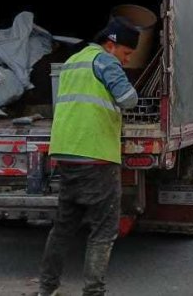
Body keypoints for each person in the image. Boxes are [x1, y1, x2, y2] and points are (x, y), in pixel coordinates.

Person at [37, 17, 141, 296]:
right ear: (111, 44)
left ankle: (47, 288)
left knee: (63, 227)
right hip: (96, 155)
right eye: (126, 53)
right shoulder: (106, 61)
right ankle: (93, 292)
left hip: (66, 152)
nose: (127, 59)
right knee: (103, 230)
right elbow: (128, 98)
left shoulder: (73, 61)